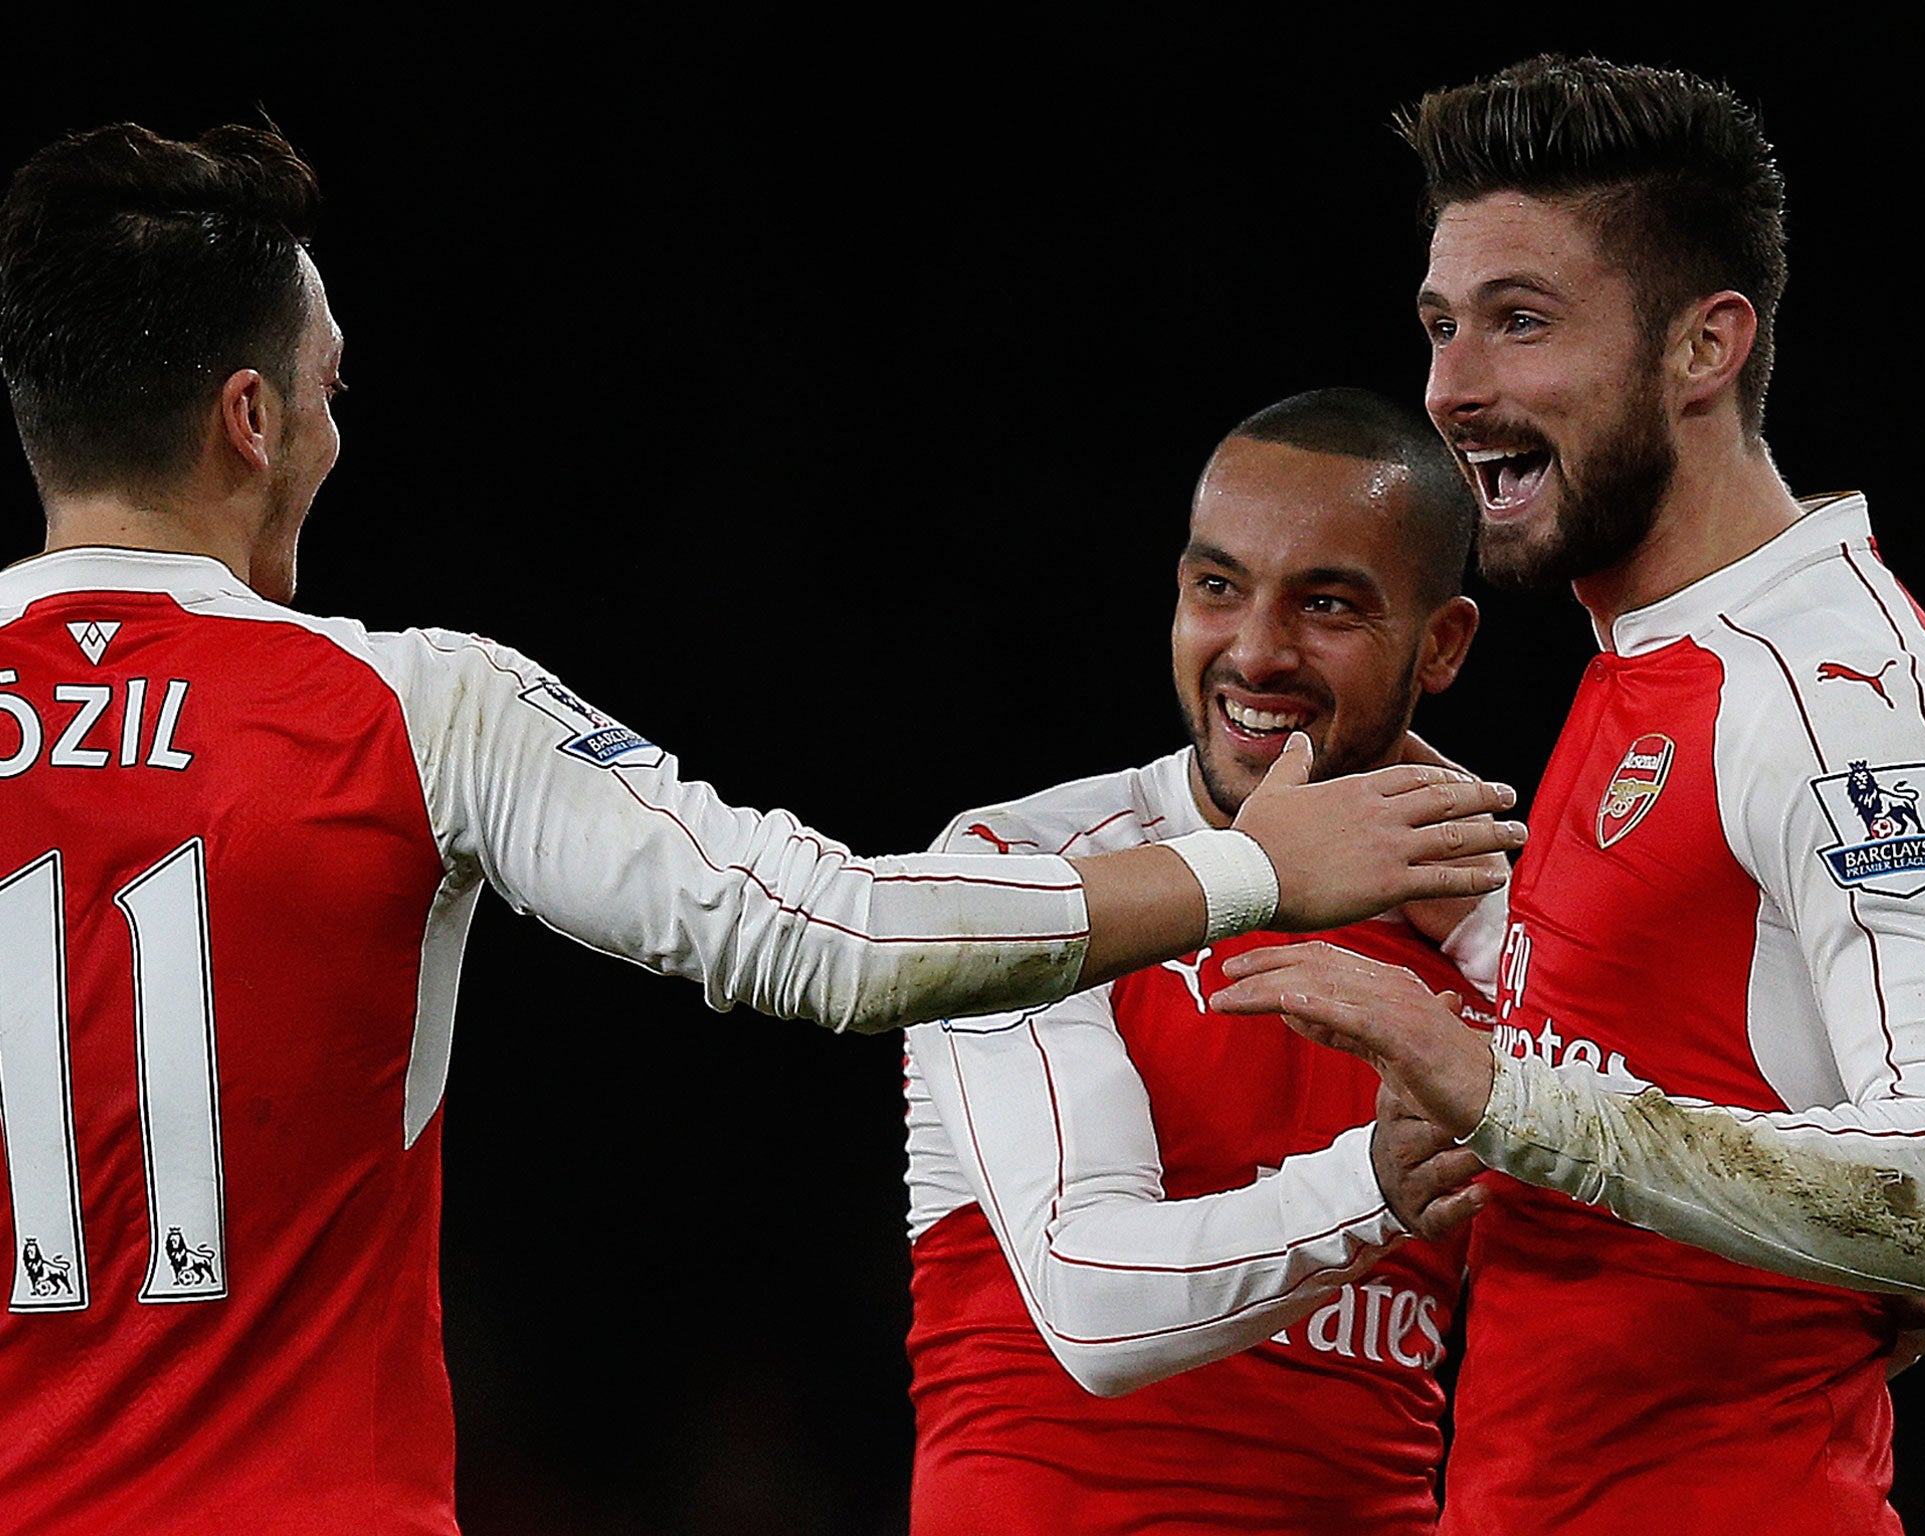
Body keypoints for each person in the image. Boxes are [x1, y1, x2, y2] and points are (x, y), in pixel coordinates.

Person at [0, 126, 1527, 1534]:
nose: (340, 431)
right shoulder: (412, 707)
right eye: (333, 389)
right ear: (252, 419)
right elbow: (828, 934)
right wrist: (1252, 869)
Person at [1210, 55, 1925, 1535]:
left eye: (1520, 323)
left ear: (1704, 346)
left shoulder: (1844, 701)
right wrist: (1487, 926)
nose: (1451, 390)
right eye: (1441, 326)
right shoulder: (1649, 649)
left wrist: (1496, 1091)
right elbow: (1727, 1040)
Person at [903, 386, 1506, 1534]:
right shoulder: (1020, 866)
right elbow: (1091, 1307)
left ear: (1440, 643)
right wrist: (1371, 1186)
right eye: (1216, 587)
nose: (1256, 651)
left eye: (1325, 604)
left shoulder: (1509, 934)